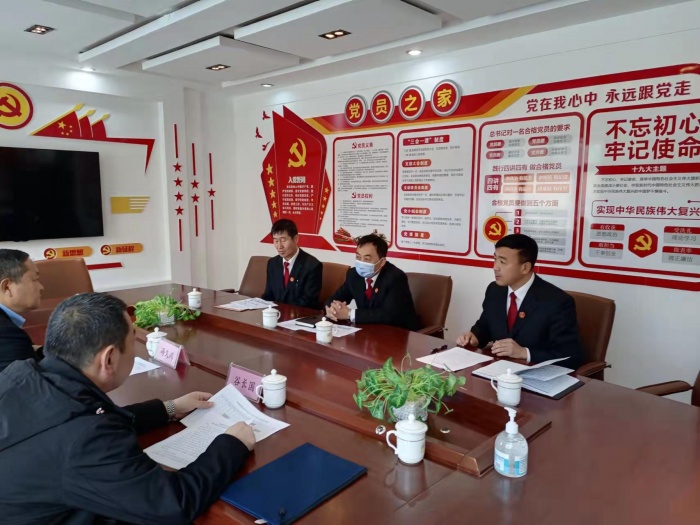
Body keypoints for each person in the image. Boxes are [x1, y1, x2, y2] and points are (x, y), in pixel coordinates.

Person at [0, 292, 255, 524]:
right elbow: (172, 504)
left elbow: (81, 416)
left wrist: (170, 408)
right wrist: (232, 445)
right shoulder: (86, 438)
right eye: (133, 341)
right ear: (109, 358)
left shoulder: (22, 374)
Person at [457, 234, 584, 369]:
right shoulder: (495, 290)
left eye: (503, 262)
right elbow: (485, 326)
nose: (495, 267)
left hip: (534, 374)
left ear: (525, 268)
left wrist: (524, 352)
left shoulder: (557, 302)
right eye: (495, 259)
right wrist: (474, 337)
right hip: (498, 371)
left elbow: (569, 355)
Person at [325, 233, 418, 331]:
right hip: (368, 331)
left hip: (398, 333)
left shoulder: (395, 277)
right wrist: (331, 309)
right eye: (358, 257)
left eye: (367, 259)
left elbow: (388, 315)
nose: (361, 263)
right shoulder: (354, 275)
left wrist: (349, 313)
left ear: (382, 262)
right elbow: (336, 298)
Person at [261, 219, 322, 309]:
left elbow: (309, 301)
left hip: (300, 315)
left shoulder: (312, 265)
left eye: (283, 240)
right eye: (276, 241)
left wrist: (282, 310)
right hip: (275, 314)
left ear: (295, 239)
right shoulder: (272, 263)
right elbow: (268, 295)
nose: (279, 246)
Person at [0, 248, 44, 372]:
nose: (41, 287)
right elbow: (35, 379)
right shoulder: (7, 334)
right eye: (35, 279)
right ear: (7, 287)